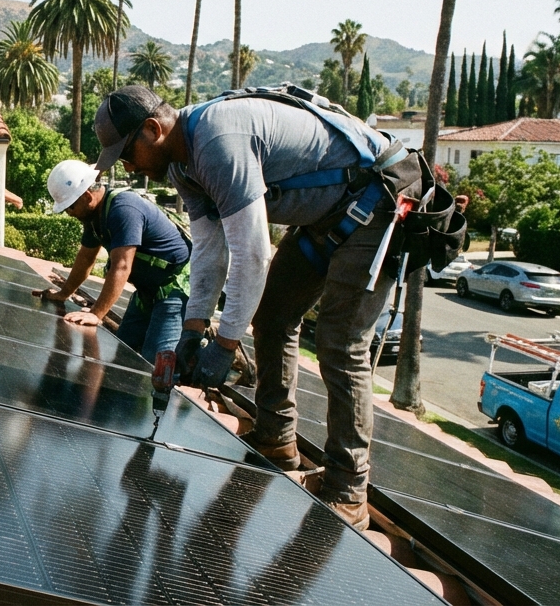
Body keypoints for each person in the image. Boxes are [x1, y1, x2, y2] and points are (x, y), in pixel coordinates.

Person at [92, 84, 426, 530]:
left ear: (153, 129)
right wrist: (195, 330)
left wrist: (225, 346)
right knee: (272, 318)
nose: (128, 166)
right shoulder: (182, 167)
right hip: (326, 215)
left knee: (340, 342)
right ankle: (276, 438)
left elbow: (251, 254)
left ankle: (349, 489)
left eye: (126, 153)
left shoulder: (216, 143)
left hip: (378, 200)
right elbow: (210, 250)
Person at [32, 160, 191, 365]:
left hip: (173, 291)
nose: (69, 213)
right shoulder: (94, 217)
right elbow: (86, 259)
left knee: (156, 364)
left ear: (88, 196)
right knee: (123, 355)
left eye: (70, 207)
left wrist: (96, 314)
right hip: (147, 293)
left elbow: (122, 266)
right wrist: (63, 294)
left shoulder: (122, 209)